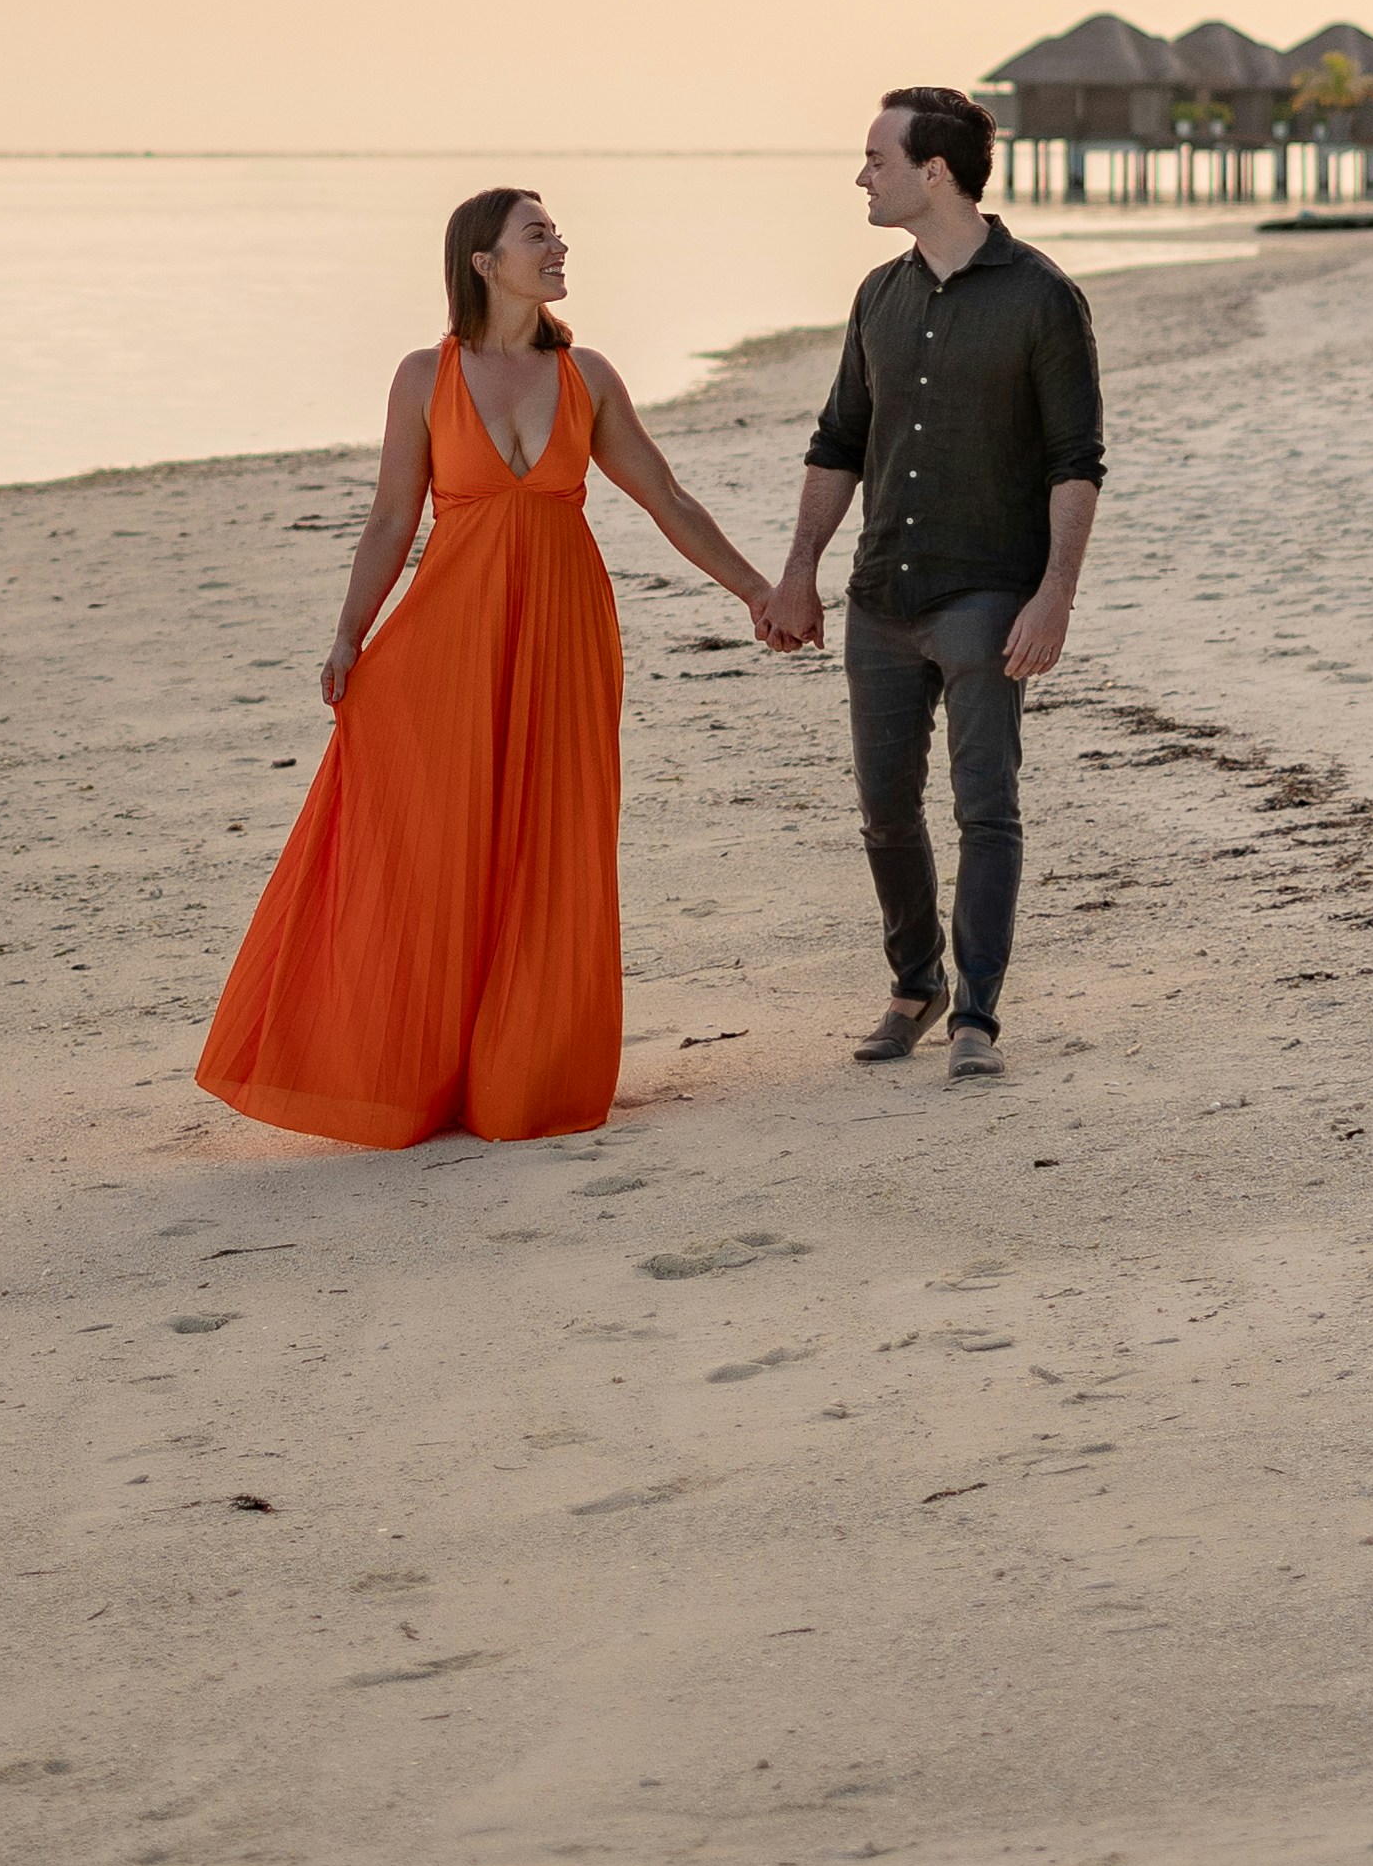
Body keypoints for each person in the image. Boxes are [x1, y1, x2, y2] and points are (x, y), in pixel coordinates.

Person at [199, 187, 787, 1148]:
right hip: (449, 637)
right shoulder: (421, 377)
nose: (559, 245)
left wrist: (757, 591)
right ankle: (415, 1071)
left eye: (556, 232)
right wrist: (351, 634)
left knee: (554, 839)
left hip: (563, 631)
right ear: (485, 261)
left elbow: (666, 497)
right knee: (444, 841)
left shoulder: (586, 374)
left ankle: (528, 1076)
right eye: (538, 234)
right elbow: (394, 516)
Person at [760, 86, 1102, 1084]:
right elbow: (838, 440)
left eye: (875, 157)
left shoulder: (1040, 296)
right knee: (882, 807)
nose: (861, 175)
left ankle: (977, 1014)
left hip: (986, 596)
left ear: (933, 171)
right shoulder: (878, 293)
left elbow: (1074, 458)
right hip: (880, 596)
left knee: (984, 805)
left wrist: (1054, 596)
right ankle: (914, 983)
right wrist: (799, 570)